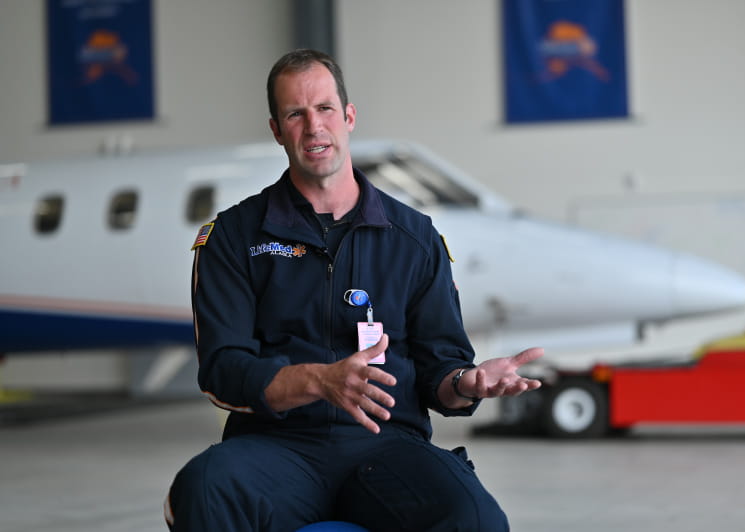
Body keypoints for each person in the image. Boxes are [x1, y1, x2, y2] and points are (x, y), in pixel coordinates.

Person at [165, 48, 542, 532]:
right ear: (277, 131)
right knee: (203, 489)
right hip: (275, 447)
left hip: (387, 447)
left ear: (348, 117)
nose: (313, 126)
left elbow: (439, 367)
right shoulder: (234, 237)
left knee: (475, 518)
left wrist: (467, 383)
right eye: (295, 114)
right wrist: (317, 381)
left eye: (324, 109)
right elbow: (222, 371)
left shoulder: (414, 237)